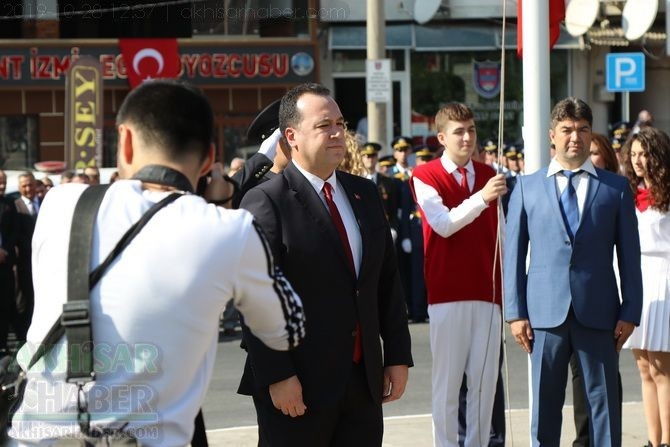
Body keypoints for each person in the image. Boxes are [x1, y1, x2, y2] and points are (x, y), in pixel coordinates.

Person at [8, 79, 306, 445]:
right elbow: (288, 330)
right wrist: (223, 204)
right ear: (210, 158)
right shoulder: (228, 230)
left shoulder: (60, 204)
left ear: (125, 140)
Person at [238, 82, 413, 447]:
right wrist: (278, 375)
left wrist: (397, 355)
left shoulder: (362, 193)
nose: (337, 133)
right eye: (323, 125)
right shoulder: (266, 201)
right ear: (292, 136)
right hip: (298, 387)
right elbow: (255, 299)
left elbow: (385, 281)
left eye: (340, 123)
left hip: (362, 382)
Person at [504, 97, 643, 446]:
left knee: (604, 409)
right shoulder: (526, 186)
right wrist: (515, 312)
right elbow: (513, 254)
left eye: (582, 129)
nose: (575, 137)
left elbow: (630, 256)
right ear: (553, 135)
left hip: (599, 314)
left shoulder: (615, 188)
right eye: (567, 130)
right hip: (543, 317)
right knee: (544, 409)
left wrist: (631, 310)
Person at [410, 102, 507, 447]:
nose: (467, 138)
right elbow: (443, 225)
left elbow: (503, 236)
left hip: (488, 292)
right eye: (459, 132)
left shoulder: (488, 174)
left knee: (484, 386)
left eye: (471, 130)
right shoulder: (424, 176)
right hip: (447, 294)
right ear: (441, 137)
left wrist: (510, 295)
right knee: (448, 386)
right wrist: (482, 197)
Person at [571, 129, 623, 447]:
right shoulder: (568, 190)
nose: (587, 159)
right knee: (580, 378)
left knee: (605, 377)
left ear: (606, 157)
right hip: (572, 302)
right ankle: (583, 440)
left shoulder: (617, 193)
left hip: (606, 299)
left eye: (594, 153)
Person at [621, 126, 670, 447]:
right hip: (639, 278)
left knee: (662, 368)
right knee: (643, 367)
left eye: (644, 154)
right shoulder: (628, 192)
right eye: (634, 154)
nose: (638, 161)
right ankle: (654, 441)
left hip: (665, 277)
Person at [13, 172, 40, 345]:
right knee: (24, 300)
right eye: (24, 186)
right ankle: (24, 338)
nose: (28, 188)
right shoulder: (15, 206)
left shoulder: (45, 204)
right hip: (24, 262)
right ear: (19, 188)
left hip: (44, 263)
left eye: (31, 184)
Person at [0, 169, 19, 355]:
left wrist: (5, 250)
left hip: (4, 264)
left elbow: (14, 232)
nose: (2, 186)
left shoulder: (9, 204)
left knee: (5, 305)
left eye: (4, 182)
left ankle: (3, 344)